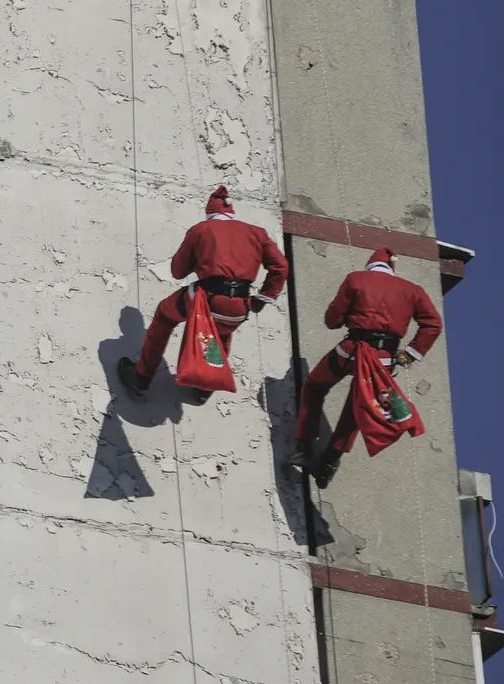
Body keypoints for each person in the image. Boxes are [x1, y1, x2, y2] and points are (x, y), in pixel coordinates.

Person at [289, 247, 443, 486]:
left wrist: (347, 315)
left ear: (370, 265)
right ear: (392, 268)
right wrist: (411, 353)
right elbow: (433, 324)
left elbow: (332, 320)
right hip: (382, 360)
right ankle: (329, 463)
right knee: (356, 409)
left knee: (314, 386)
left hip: (350, 350)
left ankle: (304, 446)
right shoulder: (413, 290)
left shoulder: (356, 279)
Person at [116, 186, 289, 395]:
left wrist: (198, 261)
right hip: (241, 307)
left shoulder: (201, 229)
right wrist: (263, 298)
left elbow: (177, 271)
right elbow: (281, 266)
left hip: (208, 299)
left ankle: (141, 377)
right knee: (221, 333)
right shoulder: (257, 233)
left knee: (164, 315)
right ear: (231, 214)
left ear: (209, 214)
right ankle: (206, 387)